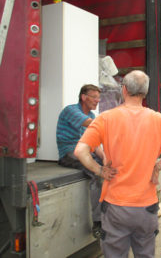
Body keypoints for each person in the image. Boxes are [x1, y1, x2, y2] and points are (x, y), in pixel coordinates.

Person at [74, 70, 161, 258]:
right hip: (147, 206)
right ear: (144, 92)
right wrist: (159, 165)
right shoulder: (159, 119)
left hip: (115, 205)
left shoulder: (106, 118)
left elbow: (80, 150)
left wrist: (100, 170)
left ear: (124, 90)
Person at [56, 84, 104, 239]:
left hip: (85, 152)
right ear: (84, 97)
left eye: (98, 97)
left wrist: (108, 159)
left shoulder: (92, 116)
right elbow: (92, 125)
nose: (97, 100)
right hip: (69, 153)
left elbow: (95, 145)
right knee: (97, 173)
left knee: (109, 168)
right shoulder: (71, 111)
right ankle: (98, 223)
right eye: (94, 97)